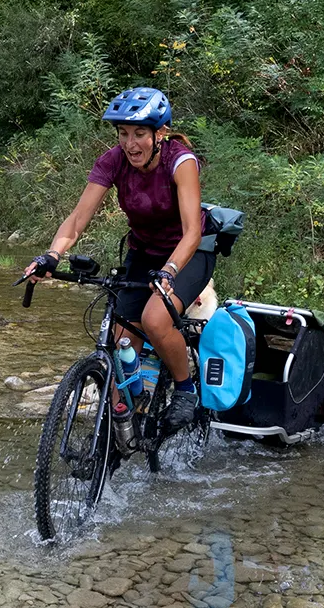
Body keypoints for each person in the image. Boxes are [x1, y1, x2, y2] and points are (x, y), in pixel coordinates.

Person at [24, 87, 213, 430]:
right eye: (123, 134)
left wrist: (170, 271)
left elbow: (192, 233)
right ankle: (117, 430)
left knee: (155, 319)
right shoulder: (112, 161)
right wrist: (52, 255)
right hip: (143, 252)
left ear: (160, 134)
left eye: (140, 134)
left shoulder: (180, 162)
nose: (130, 144)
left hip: (187, 253)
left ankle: (185, 391)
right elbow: (78, 219)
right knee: (121, 339)